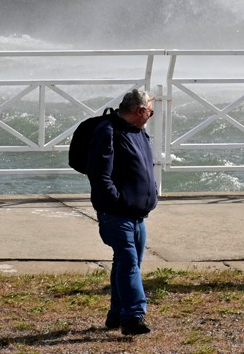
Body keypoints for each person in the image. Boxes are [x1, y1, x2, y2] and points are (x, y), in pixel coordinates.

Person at [87, 87, 158, 335]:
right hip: (117, 214)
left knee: (128, 264)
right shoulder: (108, 131)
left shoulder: (138, 132)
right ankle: (133, 317)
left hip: (138, 215)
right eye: (151, 111)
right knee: (128, 263)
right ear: (140, 111)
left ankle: (117, 315)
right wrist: (117, 201)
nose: (151, 116)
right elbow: (99, 175)